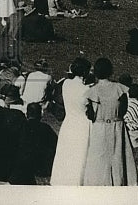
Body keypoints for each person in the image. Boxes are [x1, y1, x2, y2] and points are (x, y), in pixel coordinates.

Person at [82, 58, 137, 185]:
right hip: (117, 125)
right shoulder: (119, 89)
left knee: (99, 157)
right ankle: (120, 181)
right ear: (111, 71)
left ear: (95, 73)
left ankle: (99, 183)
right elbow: (123, 109)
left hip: (100, 127)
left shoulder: (92, 91)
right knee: (118, 156)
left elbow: (90, 115)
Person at [51, 57, 92, 185]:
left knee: (67, 152)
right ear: (85, 72)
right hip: (82, 123)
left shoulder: (66, 84)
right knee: (80, 154)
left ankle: (62, 179)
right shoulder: (86, 90)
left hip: (69, 122)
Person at [9, 102, 58, 184]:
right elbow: (55, 146)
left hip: (24, 167)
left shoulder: (21, 127)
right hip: (42, 167)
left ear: (27, 114)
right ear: (40, 115)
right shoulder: (46, 128)